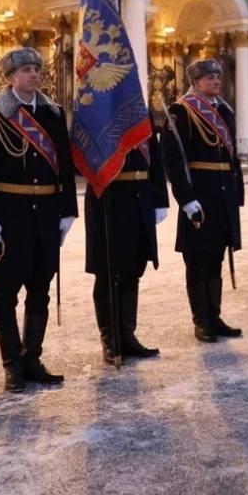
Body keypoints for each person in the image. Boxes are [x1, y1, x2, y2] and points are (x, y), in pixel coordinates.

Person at [0, 48, 77, 392]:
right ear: (10, 77)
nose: (34, 74)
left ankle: (32, 358)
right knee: (5, 293)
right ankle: (12, 364)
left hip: (46, 214)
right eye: (26, 69)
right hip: (9, 216)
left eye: (37, 69)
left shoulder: (53, 114)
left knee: (40, 290)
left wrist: (68, 209)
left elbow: (65, 165)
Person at [162, 59, 245, 343]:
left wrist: (237, 195)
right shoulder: (181, 111)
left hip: (222, 195)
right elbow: (174, 160)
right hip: (200, 194)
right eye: (209, 77)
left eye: (217, 77)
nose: (216, 81)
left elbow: (232, 158)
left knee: (216, 259)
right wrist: (186, 199)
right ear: (195, 82)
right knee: (197, 261)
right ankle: (201, 321)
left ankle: (214, 316)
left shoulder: (224, 110)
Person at [84, 128, 168, 365]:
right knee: (107, 270)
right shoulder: (94, 108)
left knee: (133, 267)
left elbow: (154, 155)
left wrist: (160, 198)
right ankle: (110, 337)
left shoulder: (139, 110)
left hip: (139, 195)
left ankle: (127, 333)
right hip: (107, 196)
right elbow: (79, 156)